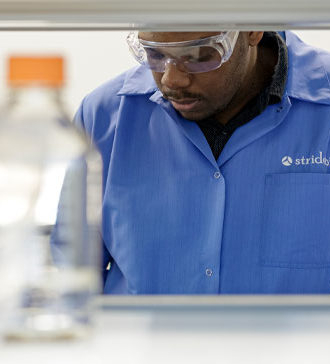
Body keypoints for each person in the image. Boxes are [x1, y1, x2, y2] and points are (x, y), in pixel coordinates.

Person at [75, 31, 330, 294]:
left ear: (253, 29)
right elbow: (71, 276)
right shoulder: (102, 117)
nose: (171, 79)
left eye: (198, 55)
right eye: (155, 54)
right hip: (135, 335)